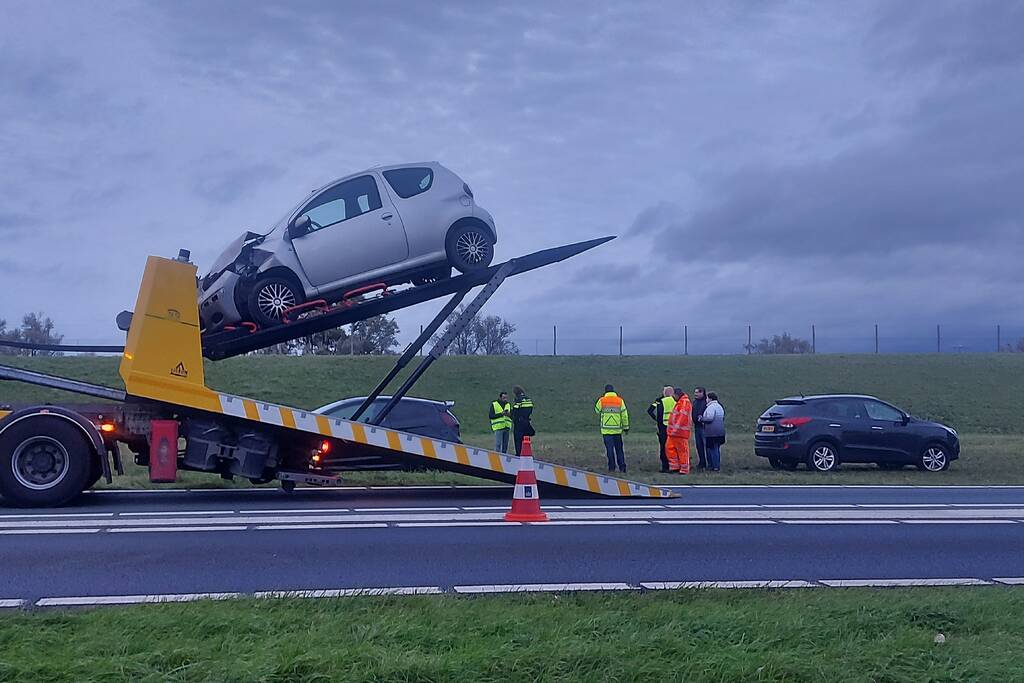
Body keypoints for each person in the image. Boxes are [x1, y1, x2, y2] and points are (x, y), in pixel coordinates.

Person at [596, 384, 629, 473]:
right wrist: (626, 427)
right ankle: (622, 467)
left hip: (606, 430)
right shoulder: (620, 401)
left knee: (609, 450)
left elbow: (597, 410)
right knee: (619, 450)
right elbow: (624, 415)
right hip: (617, 430)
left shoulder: (602, 400)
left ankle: (612, 467)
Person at [647, 386, 676, 472]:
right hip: (674, 427)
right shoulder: (675, 400)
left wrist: (656, 419)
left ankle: (665, 466)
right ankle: (674, 465)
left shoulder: (659, 400)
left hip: (662, 427)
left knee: (663, 447)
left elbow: (650, 410)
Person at [666, 387, 692, 474]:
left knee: (682, 451)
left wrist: (676, 428)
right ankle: (674, 467)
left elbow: (682, 417)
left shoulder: (684, 402)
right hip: (673, 432)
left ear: (677, 395)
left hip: (680, 432)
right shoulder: (680, 402)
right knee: (670, 448)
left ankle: (684, 469)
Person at [699, 391, 725, 472]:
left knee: (713, 449)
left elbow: (710, 418)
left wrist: (701, 419)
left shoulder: (711, 407)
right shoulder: (719, 406)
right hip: (720, 431)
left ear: (710, 398)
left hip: (712, 432)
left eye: (707, 398)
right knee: (716, 449)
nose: (706, 400)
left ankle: (715, 466)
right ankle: (716, 465)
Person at [511, 386, 535, 456]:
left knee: (518, 440)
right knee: (526, 439)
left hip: (519, 423)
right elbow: (530, 409)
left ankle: (519, 454)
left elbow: (515, 411)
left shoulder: (518, 400)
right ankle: (527, 452)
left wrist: (510, 414)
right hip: (526, 421)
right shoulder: (528, 399)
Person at [691, 386, 708, 470]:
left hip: (704, 427)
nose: (695, 394)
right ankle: (702, 462)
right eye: (695, 392)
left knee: (706, 445)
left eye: (697, 392)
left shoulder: (706, 402)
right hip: (697, 427)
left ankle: (709, 463)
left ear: (702, 393)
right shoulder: (694, 402)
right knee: (699, 446)